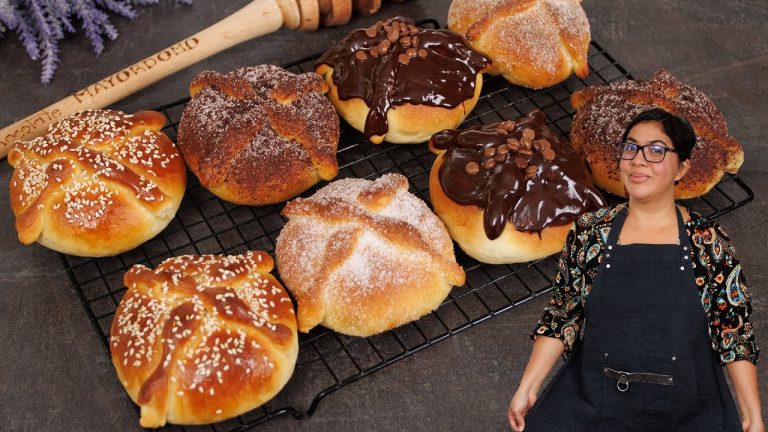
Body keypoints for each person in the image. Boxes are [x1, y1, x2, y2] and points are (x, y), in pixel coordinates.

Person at [508, 108, 763, 431]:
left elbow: (734, 333)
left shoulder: (707, 241)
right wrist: (527, 387)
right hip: (595, 404)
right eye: (631, 148)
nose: (638, 160)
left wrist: (753, 415)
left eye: (657, 151)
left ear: (681, 168)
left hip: (689, 410)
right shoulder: (591, 232)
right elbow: (562, 316)